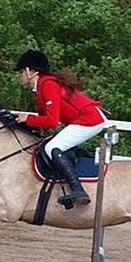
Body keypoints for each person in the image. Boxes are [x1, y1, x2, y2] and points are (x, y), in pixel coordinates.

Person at [13, 49, 108, 208]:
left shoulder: (48, 85)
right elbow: (44, 119)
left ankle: (78, 189)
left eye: (22, 71)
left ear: (32, 72)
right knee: (50, 145)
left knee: (53, 147)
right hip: (82, 119)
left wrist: (27, 118)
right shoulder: (38, 89)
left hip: (90, 119)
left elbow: (51, 121)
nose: (20, 75)